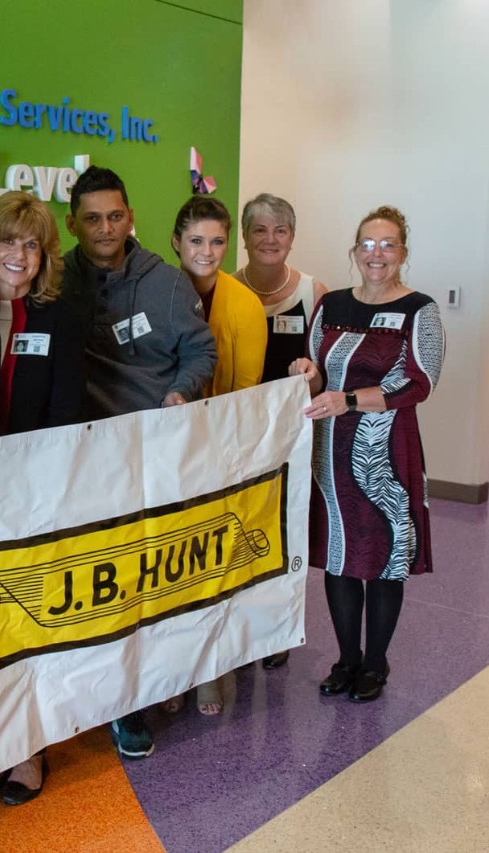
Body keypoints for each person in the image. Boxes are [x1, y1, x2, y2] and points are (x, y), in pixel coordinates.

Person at [59, 165, 216, 758]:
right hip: (75, 460)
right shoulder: (54, 280)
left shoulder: (168, 283)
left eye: (116, 216)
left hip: (149, 460)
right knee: (84, 588)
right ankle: (82, 697)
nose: (105, 228)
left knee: (138, 588)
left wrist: (180, 393)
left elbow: (201, 349)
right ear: (73, 223)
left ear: (131, 217)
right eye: (92, 218)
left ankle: (131, 707)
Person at [290, 205, 444, 704]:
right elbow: (320, 374)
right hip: (331, 451)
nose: (376, 254)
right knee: (339, 556)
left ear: (403, 253)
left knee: (383, 557)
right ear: (354, 251)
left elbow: (418, 382)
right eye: (367, 244)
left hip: (385, 453)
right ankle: (346, 660)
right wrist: (305, 372)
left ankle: (375, 663)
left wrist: (349, 400)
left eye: (388, 245)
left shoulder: (419, 309)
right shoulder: (331, 303)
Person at [0, 190, 83, 803]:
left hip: (35, 493)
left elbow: (66, 409)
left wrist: (46, 488)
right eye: (9, 241)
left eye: (31, 244)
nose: (19, 254)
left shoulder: (58, 317)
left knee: (33, 623)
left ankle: (31, 750)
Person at [166, 195, 266, 715]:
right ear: (176, 242)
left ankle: (212, 667)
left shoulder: (244, 304)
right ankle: (173, 669)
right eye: (197, 241)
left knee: (215, 564)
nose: (208, 251)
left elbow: (246, 393)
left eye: (218, 241)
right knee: (168, 568)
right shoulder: (158, 291)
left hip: (221, 451)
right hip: (166, 451)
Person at [236, 192, 329, 671]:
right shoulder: (228, 288)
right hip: (239, 439)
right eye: (260, 230)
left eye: (281, 230)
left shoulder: (315, 294)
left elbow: (329, 374)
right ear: (245, 237)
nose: (270, 240)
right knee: (240, 533)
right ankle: (238, 627)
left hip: (293, 440)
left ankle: (277, 629)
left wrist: (312, 376)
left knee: (286, 534)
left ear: (292, 237)